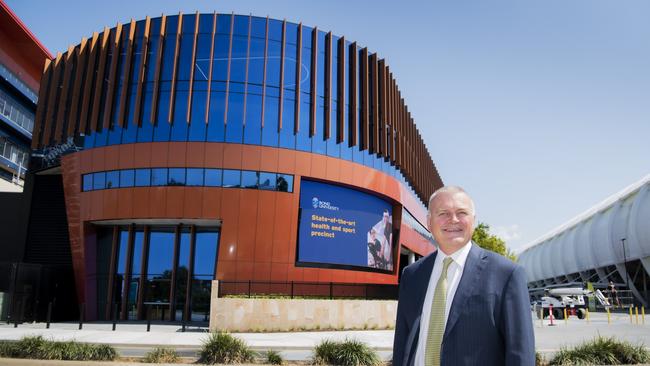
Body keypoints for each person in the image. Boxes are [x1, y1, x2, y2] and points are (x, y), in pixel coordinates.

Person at [392, 186, 535, 366]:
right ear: (429, 222)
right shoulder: (412, 275)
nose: (453, 220)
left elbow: (520, 355)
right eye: (443, 213)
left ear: (473, 221)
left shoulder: (506, 275)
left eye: (461, 213)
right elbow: (402, 345)